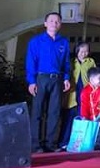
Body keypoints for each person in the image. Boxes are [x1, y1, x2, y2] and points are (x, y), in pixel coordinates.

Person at [26, 12, 71, 153]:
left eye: (57, 21)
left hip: (57, 79)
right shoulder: (36, 41)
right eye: (51, 21)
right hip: (41, 79)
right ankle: (36, 145)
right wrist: (31, 81)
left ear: (60, 25)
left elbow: (66, 62)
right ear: (45, 23)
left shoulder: (63, 42)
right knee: (37, 112)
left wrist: (66, 78)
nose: (54, 24)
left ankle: (51, 144)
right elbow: (31, 62)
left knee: (54, 112)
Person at [58, 41, 96, 150]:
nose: (84, 53)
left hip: (85, 93)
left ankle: (81, 143)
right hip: (72, 94)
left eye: (86, 51)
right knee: (68, 118)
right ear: (77, 51)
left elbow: (95, 75)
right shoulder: (71, 61)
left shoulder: (91, 61)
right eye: (81, 51)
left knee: (83, 118)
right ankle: (64, 142)